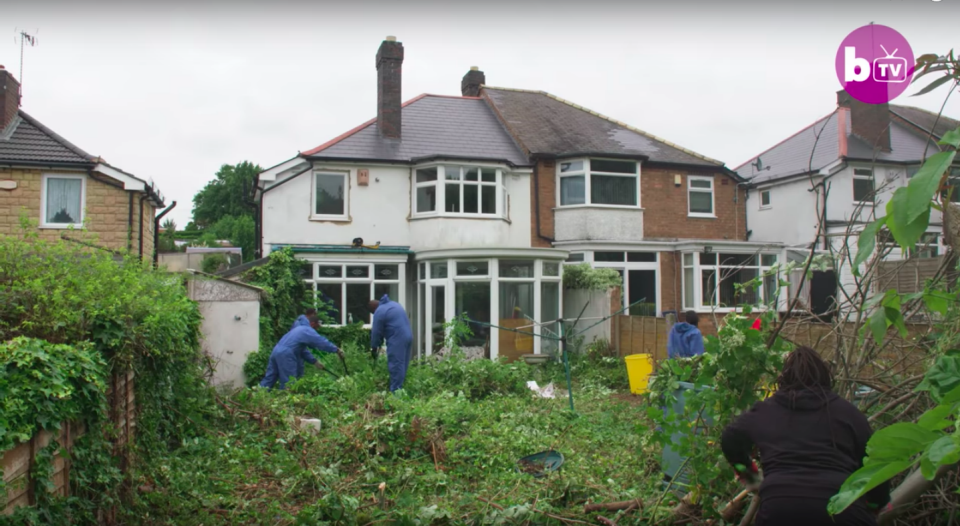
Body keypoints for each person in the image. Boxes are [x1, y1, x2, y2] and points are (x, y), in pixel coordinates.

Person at [720, 346, 890, 526]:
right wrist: (874, 505)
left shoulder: (765, 411)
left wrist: (751, 476)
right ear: (825, 377)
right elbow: (874, 467)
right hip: (842, 509)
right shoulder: (849, 414)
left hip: (779, 509)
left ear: (783, 378)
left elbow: (729, 439)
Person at [261, 315, 342, 390]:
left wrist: (314, 361)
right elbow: (321, 342)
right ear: (313, 324)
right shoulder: (307, 330)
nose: (316, 330)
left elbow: (302, 350)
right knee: (289, 382)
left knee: (269, 378)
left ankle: (256, 395)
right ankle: (284, 403)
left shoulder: (298, 329)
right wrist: (336, 350)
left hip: (276, 351)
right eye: (317, 328)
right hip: (286, 354)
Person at [369, 295, 413, 392]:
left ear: (373, 310)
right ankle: (400, 389)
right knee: (402, 364)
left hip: (397, 338)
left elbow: (376, 332)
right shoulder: (394, 304)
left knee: (396, 365)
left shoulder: (380, 311)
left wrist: (374, 347)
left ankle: (396, 393)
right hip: (408, 336)